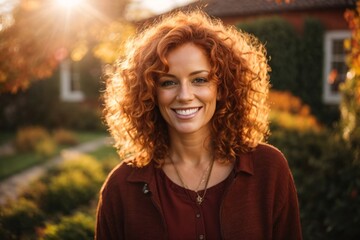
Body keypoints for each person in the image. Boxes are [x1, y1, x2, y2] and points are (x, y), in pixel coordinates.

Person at [95, 10, 302, 240]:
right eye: (168, 82)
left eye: (199, 80)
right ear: (149, 93)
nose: (184, 95)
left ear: (222, 87)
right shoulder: (122, 188)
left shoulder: (269, 170)